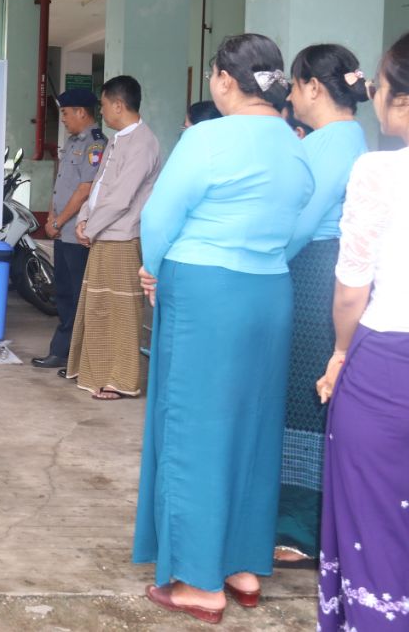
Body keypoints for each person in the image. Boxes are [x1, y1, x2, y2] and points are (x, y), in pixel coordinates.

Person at [133, 33, 313, 623]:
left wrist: (154, 269)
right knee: (253, 429)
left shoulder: (208, 137)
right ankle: (242, 565)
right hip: (269, 291)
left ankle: (198, 581)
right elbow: (298, 223)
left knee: (194, 430)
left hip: (205, 290)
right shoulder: (293, 143)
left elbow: (160, 216)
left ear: (224, 80)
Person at [315, 26, 409, 632]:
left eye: (379, 87)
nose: (374, 96)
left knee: (380, 530)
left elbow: (351, 289)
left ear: (407, 100)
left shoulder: (379, 171)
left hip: (388, 370)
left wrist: (341, 352)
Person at [273, 45, 369, 566]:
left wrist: (264, 262)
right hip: (311, 269)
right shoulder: (338, 138)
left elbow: (302, 221)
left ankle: (301, 527)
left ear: (313, 87)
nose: (290, 96)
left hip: (315, 272)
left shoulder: (336, 141)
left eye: (294, 85)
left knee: (304, 399)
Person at [65, 75, 162, 399]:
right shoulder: (117, 139)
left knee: (120, 313)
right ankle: (95, 371)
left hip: (122, 238)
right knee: (98, 308)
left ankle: (121, 380)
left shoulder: (143, 143)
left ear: (119, 105)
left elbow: (121, 199)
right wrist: (83, 218)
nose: (102, 111)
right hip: (103, 233)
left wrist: (90, 228)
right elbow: (98, 186)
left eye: (105, 105)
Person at [31, 87, 106, 369]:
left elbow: (86, 188)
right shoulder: (74, 142)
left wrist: (60, 221)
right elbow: (61, 186)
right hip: (63, 230)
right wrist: (52, 218)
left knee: (76, 296)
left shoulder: (94, 145)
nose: (62, 119)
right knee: (62, 292)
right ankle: (64, 352)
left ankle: (70, 354)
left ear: (81, 112)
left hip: (77, 233)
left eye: (65, 113)